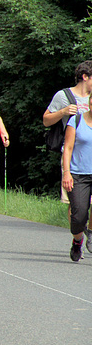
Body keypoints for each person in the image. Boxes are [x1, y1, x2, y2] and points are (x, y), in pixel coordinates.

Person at [44, 60, 92, 249]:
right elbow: (46, 120)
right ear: (85, 77)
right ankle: (78, 234)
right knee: (77, 208)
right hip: (73, 158)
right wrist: (63, 112)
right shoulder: (64, 96)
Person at [62, 95, 92, 261]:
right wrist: (67, 172)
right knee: (79, 215)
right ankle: (78, 240)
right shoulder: (76, 120)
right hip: (79, 173)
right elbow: (68, 147)